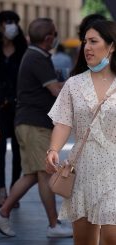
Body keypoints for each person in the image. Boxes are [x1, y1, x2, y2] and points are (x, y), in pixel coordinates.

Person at [0, 18, 73, 238]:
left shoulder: (34, 55)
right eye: (54, 34)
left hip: (29, 122)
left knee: (33, 174)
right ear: (48, 38)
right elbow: (55, 90)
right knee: (45, 173)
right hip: (35, 124)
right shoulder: (37, 57)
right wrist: (77, 82)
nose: (56, 37)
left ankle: (4, 212)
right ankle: (53, 224)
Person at [46, 20, 116, 245]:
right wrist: (53, 149)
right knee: (84, 240)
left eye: (94, 41)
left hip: (114, 169)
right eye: (85, 42)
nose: (87, 47)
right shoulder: (74, 84)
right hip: (83, 170)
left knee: (111, 236)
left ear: (112, 46)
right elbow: (64, 122)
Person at [0, 10, 27, 208]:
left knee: (18, 150)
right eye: (7, 22)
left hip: (19, 106)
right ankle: (1, 190)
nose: (11, 25)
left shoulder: (22, 49)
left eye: (14, 22)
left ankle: (13, 192)